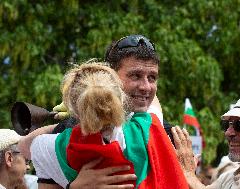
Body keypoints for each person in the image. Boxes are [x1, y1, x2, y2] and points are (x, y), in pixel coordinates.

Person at [18, 34, 175, 189]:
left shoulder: (60, 136)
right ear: (110, 76)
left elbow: (25, 146)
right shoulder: (153, 127)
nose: (146, 86)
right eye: (135, 75)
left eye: (152, 78)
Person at [172, 95, 240, 189]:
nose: (228, 133)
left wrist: (188, 174)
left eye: (239, 126)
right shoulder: (229, 177)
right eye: (227, 125)